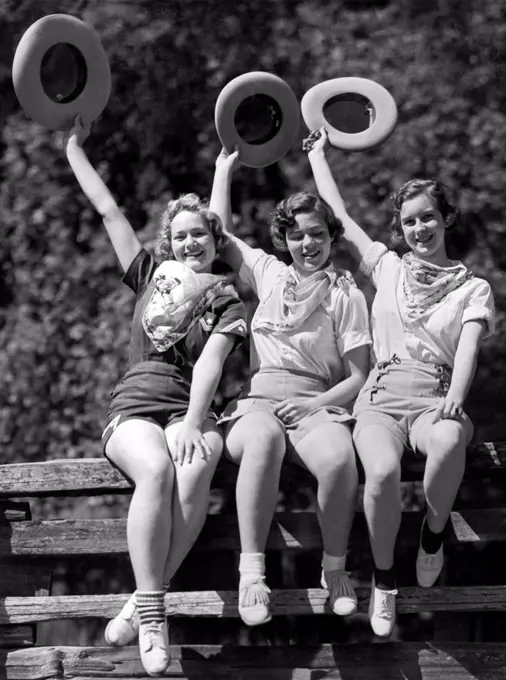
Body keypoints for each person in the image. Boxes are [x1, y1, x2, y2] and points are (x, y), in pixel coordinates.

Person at [65, 117, 247, 676]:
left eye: (202, 234)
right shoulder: (150, 274)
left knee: (195, 469)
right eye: (181, 234)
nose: (191, 241)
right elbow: (109, 212)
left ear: (218, 243)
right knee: (159, 473)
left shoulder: (226, 298)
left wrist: (195, 421)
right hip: (136, 408)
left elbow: (213, 361)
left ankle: (141, 601)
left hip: (193, 407)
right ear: (169, 243)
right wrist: (73, 147)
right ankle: (154, 617)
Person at [306, 127, 495, 639]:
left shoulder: (473, 287)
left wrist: (456, 396)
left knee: (452, 437)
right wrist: (319, 156)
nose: (419, 228)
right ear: (401, 228)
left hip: (435, 392)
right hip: (382, 396)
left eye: (428, 217)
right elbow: (340, 221)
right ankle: (385, 581)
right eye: (409, 221)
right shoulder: (387, 267)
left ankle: (433, 535)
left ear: (446, 219)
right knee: (383, 474)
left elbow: (470, 346)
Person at [209, 146, 372, 627]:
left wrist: (314, 405)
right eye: (296, 235)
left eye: (317, 234)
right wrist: (223, 170)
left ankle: (335, 569)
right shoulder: (268, 273)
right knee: (261, 440)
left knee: (341, 458)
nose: (307, 243)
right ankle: (252, 574)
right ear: (283, 239)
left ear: (330, 237)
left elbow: (359, 376)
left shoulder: (346, 293)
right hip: (259, 399)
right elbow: (219, 237)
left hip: (317, 399)